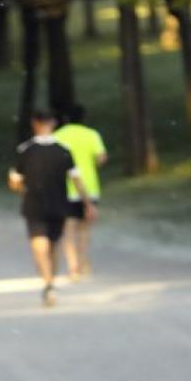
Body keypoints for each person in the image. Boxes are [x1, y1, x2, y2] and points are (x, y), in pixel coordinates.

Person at [10, 109, 95, 307]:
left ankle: (47, 282)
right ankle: (52, 282)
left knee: (38, 244)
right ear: (53, 123)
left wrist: (24, 190)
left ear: (34, 123)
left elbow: (15, 181)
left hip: (34, 203)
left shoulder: (25, 150)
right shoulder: (63, 149)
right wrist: (87, 203)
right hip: (59, 203)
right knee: (54, 244)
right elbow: (77, 179)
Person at [51, 105, 109, 281]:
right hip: (89, 186)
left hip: (66, 188)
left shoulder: (58, 136)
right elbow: (101, 158)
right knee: (84, 228)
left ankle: (72, 266)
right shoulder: (91, 134)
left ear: (66, 118)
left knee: (68, 229)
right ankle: (84, 262)